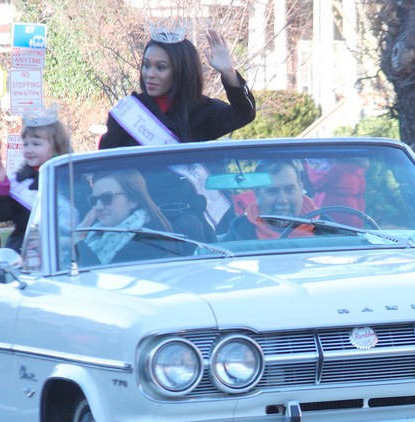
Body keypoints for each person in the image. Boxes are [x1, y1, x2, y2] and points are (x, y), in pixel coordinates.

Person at [98, 28, 255, 149]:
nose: (150, 74)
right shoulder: (128, 113)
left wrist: (229, 73)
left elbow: (244, 114)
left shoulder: (202, 110)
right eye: (146, 65)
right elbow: (104, 169)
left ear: (181, 71)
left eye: (161, 67)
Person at [0, 106, 72, 253]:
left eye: (36, 144)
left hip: (64, 254)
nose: (29, 149)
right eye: (26, 144)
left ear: (56, 147)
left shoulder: (72, 180)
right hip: (24, 253)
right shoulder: (20, 182)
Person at [77, 170, 175, 265]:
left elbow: (102, 277)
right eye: (94, 200)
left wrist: (77, 242)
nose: (98, 207)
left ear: (133, 200)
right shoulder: (93, 234)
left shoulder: (151, 242)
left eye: (107, 197)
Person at [218, 161, 318, 241]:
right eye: (272, 191)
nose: (283, 200)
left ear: (300, 189)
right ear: (257, 194)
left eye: (290, 189)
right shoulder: (236, 240)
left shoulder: (329, 231)